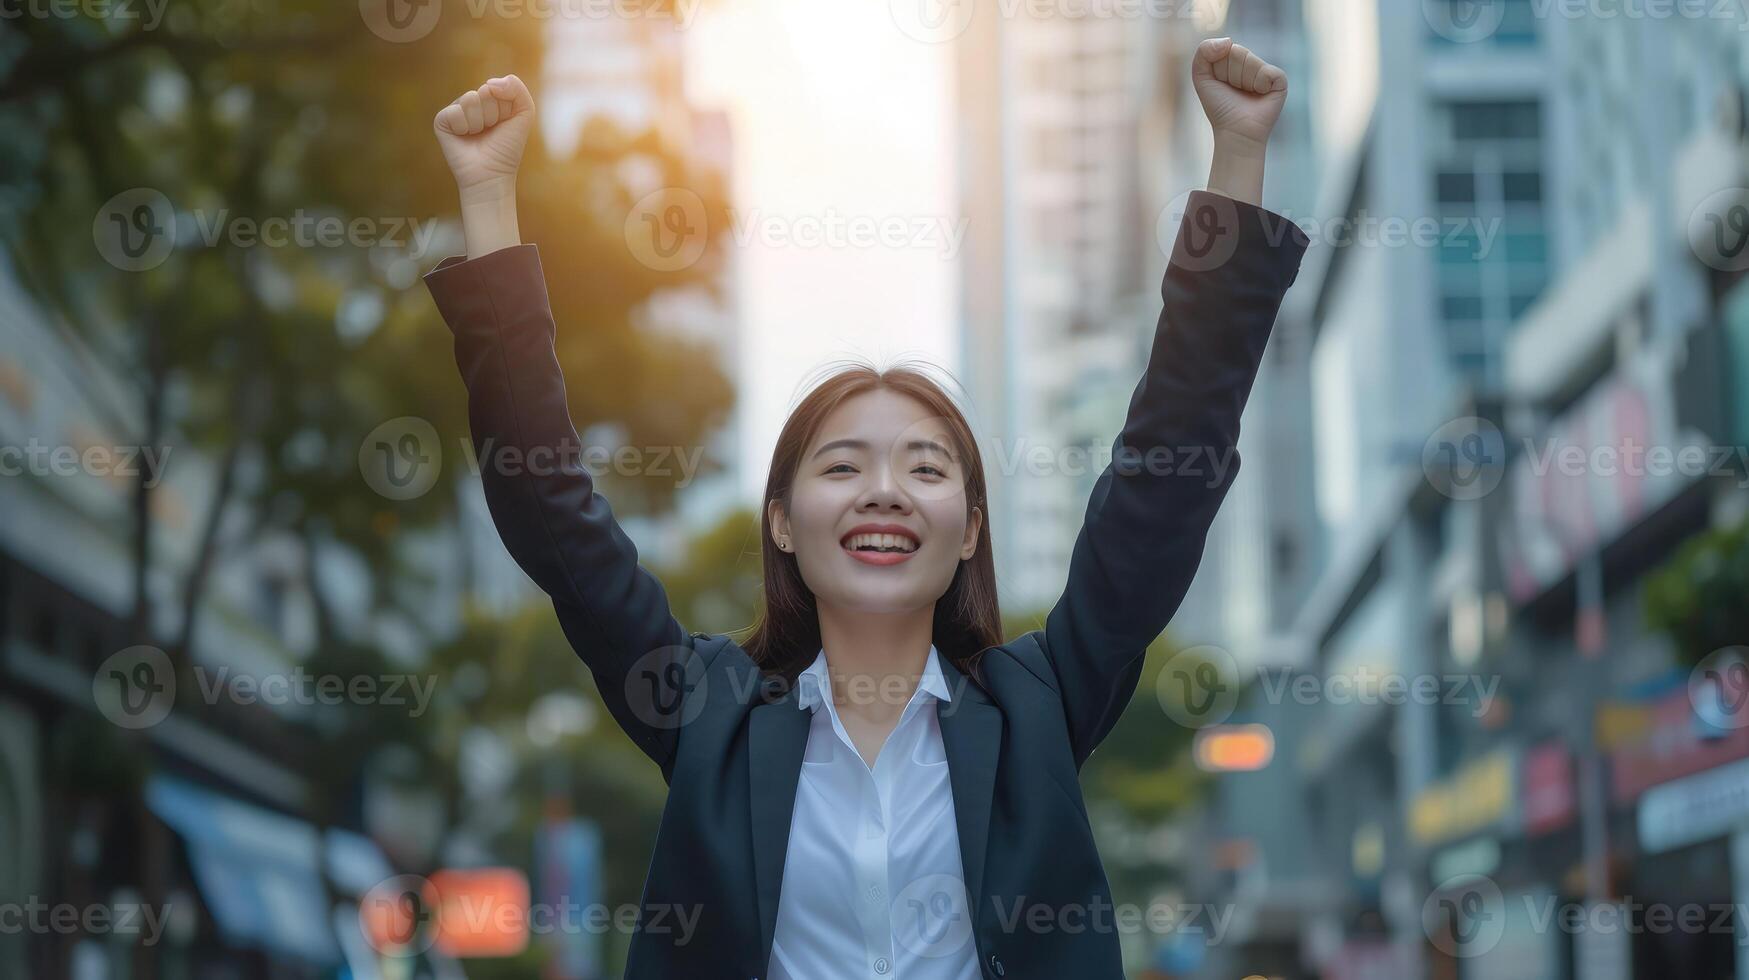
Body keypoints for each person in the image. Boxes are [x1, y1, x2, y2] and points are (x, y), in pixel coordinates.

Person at [425, 37, 1307, 980]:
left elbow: (1160, 485)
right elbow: (546, 504)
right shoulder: (704, 711)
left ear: (970, 528)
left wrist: (1236, 157)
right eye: (842, 466)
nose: (884, 489)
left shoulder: (1037, 707)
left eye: (925, 469)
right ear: (781, 521)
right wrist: (487, 195)